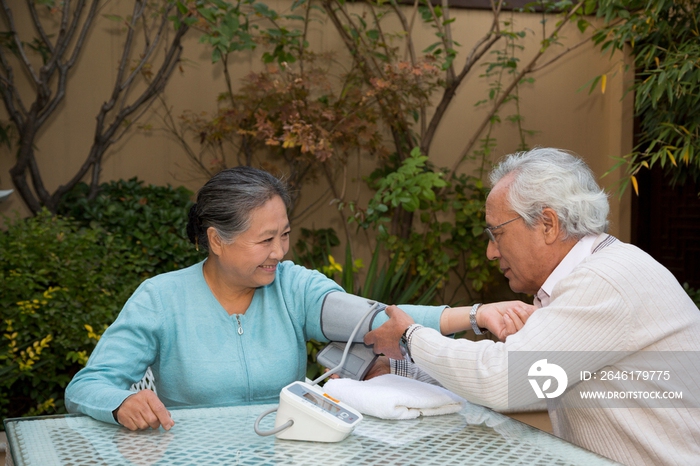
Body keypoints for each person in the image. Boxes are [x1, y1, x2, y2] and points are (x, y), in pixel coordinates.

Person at [65, 166, 533, 432]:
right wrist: (119, 404)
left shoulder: (292, 286)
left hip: (288, 451)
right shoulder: (160, 298)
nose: (280, 252)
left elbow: (375, 318)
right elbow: (89, 385)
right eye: (265, 240)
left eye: (285, 235)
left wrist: (474, 315)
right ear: (216, 240)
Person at [364, 148, 700, 465]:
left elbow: (503, 379)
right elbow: (535, 384)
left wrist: (411, 337)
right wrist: (405, 370)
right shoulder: (592, 277)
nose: (491, 253)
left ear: (548, 225)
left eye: (497, 233)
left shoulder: (604, 281)